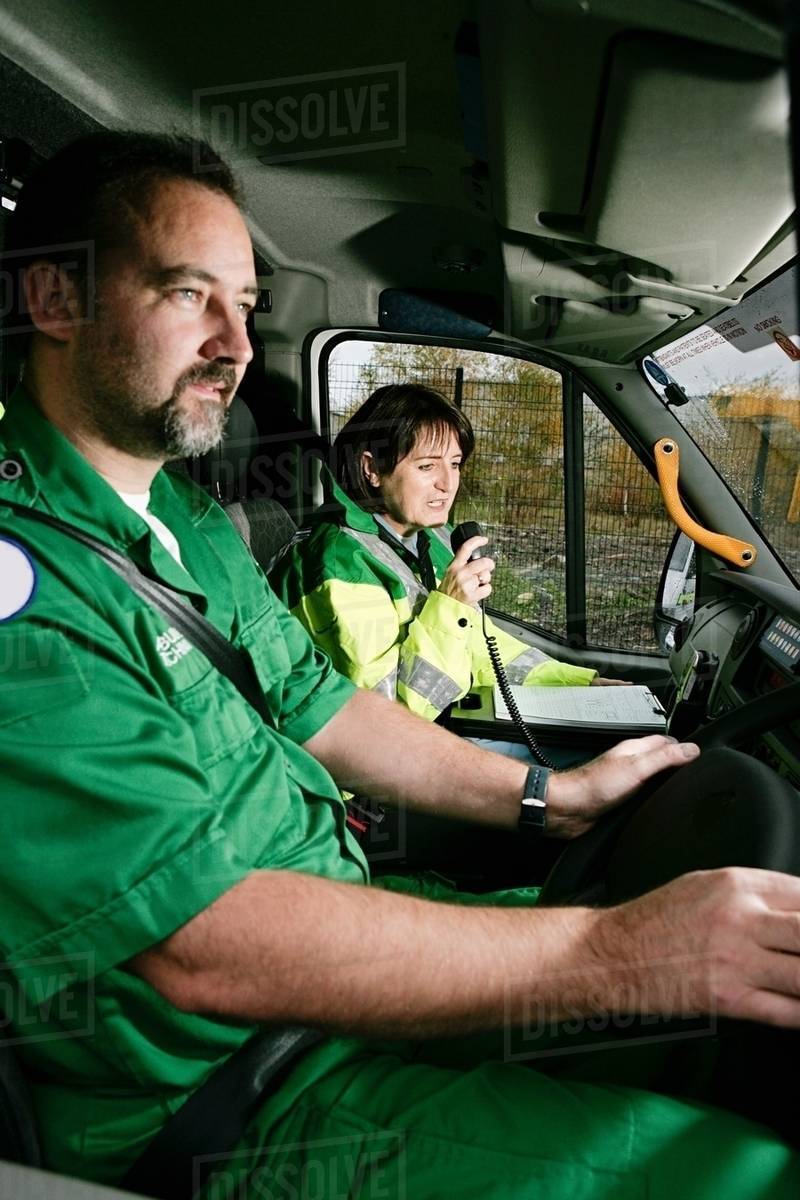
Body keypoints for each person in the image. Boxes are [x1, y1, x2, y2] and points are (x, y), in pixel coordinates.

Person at [1, 131, 799, 1199]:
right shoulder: (24, 593)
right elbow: (201, 944)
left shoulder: (186, 521)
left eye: (247, 303)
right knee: (744, 1176)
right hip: (229, 1093)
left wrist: (548, 799)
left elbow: (328, 708)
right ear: (56, 299)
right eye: (192, 295)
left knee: (725, 1009)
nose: (236, 343)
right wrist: (616, 952)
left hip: (338, 950)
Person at [271, 384, 628, 763]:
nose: (447, 483)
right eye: (427, 466)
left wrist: (581, 683)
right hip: (376, 774)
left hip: (439, 727)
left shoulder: (427, 537)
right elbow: (385, 724)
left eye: (454, 463)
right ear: (372, 468)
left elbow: (479, 644)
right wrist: (450, 605)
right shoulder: (338, 565)